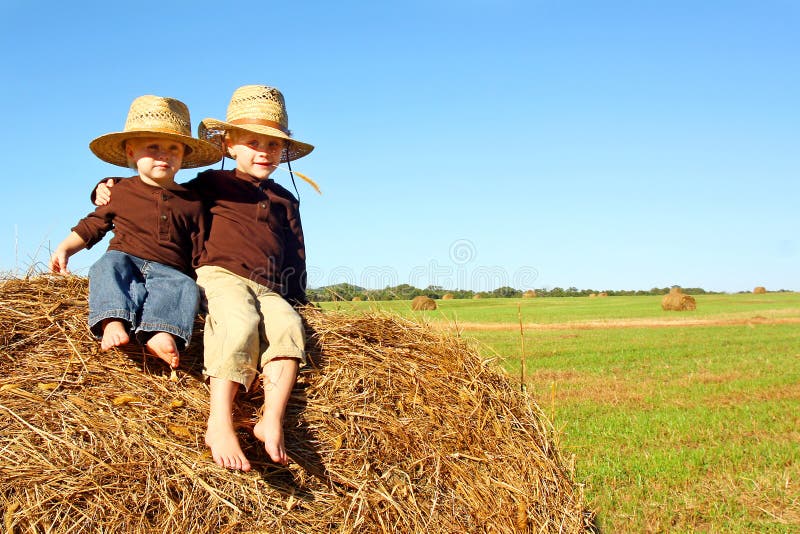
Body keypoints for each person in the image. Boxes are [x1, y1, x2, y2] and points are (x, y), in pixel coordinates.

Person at [95, 85, 314, 471]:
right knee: (239, 323)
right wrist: (104, 187)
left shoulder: (285, 199)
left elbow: (296, 249)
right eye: (252, 142)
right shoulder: (209, 184)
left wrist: (297, 294)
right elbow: (156, 191)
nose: (263, 151)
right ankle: (219, 422)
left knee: (289, 329)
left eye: (273, 145)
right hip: (221, 273)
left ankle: (271, 420)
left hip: (270, 284)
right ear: (229, 145)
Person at [51, 95, 222, 369]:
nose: (164, 154)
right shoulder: (119, 191)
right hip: (125, 258)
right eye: (152, 147)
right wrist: (65, 248)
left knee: (183, 286)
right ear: (131, 153)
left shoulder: (193, 201)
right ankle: (112, 321)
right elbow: (93, 225)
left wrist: (203, 284)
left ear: (184, 156)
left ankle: (162, 332)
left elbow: (200, 248)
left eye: (173, 149)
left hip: (171, 268)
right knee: (106, 268)